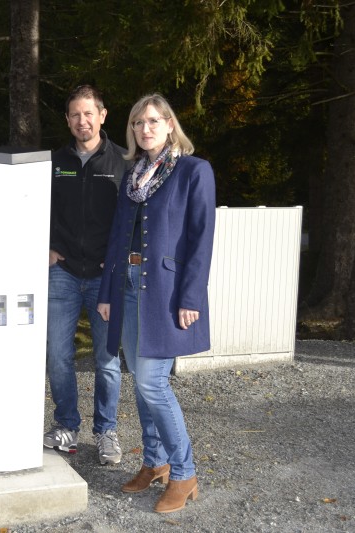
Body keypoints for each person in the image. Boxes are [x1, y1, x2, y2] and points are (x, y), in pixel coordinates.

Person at [98, 93, 215, 513]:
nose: (143, 129)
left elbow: (201, 238)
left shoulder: (193, 171)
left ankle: (184, 474)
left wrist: (191, 296)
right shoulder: (134, 175)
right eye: (136, 123)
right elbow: (117, 238)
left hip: (165, 292)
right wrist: (108, 292)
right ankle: (155, 462)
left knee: (152, 383)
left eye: (151, 121)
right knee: (140, 382)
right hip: (126, 285)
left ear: (169, 124)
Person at [44, 85, 129, 465]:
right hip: (61, 272)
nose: (83, 121)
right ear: (67, 120)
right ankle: (66, 424)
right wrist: (44, 246)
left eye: (89, 114)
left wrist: (117, 262)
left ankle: (106, 431)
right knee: (57, 354)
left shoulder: (123, 162)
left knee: (107, 358)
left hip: (104, 276)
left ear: (103, 115)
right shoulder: (52, 162)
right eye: (75, 115)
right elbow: (34, 207)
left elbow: (132, 220)